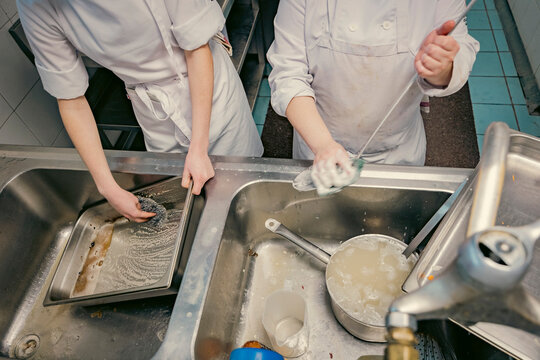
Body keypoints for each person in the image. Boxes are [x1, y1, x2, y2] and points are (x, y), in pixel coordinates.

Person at [17, 0, 263, 222]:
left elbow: (196, 49)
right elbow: (70, 98)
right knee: (185, 198)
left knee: (244, 184)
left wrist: (198, 147)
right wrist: (108, 188)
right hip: (152, 108)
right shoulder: (34, 5)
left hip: (208, 87)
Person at [267, 0, 479, 178]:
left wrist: (441, 69)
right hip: (317, 146)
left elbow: (460, 47)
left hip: (400, 153)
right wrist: (323, 144)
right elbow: (288, 72)